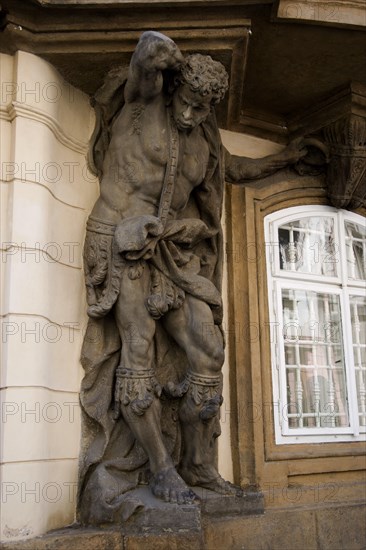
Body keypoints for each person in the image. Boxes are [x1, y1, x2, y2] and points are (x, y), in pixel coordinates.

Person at [79, 31, 307, 522]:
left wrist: (287, 160)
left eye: (202, 109)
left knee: (209, 349)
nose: (190, 115)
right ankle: (160, 470)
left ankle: (197, 465)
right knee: (137, 350)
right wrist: (181, 62)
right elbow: (149, 49)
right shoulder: (141, 102)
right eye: (186, 102)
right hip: (121, 239)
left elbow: (234, 171)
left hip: (173, 253)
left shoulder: (204, 139)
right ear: (174, 88)